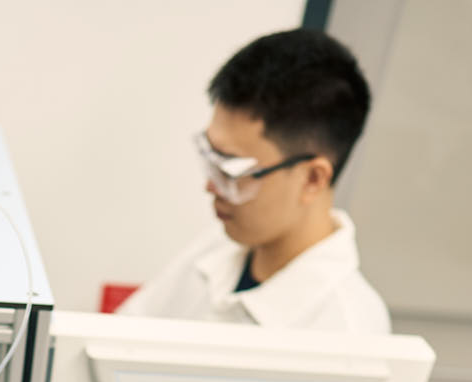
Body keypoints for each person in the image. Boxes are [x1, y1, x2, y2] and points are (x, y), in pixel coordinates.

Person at [117, 29, 390, 334]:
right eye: (210, 159)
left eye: (232, 171)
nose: (210, 187)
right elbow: (119, 335)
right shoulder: (219, 245)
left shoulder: (348, 328)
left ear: (313, 178)